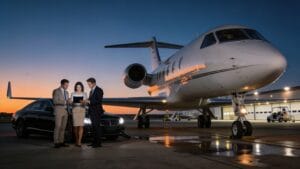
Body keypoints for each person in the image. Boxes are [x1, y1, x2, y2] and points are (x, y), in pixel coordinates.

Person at [84, 77, 104, 148]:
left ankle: (98, 143)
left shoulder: (99, 90)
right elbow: (91, 101)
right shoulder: (91, 91)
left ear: (94, 83)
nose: (88, 86)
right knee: (93, 127)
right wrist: (86, 101)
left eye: (89, 84)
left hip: (97, 112)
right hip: (92, 112)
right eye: (88, 84)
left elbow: (98, 101)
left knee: (97, 127)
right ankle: (94, 142)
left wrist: (89, 101)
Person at [52, 79, 70, 148]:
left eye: (68, 85)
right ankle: (56, 142)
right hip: (58, 111)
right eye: (66, 85)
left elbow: (67, 102)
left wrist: (69, 102)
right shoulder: (56, 91)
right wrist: (65, 102)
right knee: (58, 126)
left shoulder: (67, 92)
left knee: (63, 128)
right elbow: (55, 101)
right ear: (62, 84)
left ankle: (61, 142)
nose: (67, 86)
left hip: (65, 111)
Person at [71, 82, 88, 147]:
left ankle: (79, 142)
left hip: (82, 110)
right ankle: (76, 139)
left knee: (81, 126)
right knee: (75, 126)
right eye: (77, 87)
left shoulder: (84, 94)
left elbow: (86, 103)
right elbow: (71, 103)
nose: (78, 88)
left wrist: (83, 102)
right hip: (75, 110)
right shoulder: (73, 94)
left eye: (80, 87)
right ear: (75, 87)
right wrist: (71, 102)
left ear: (82, 87)